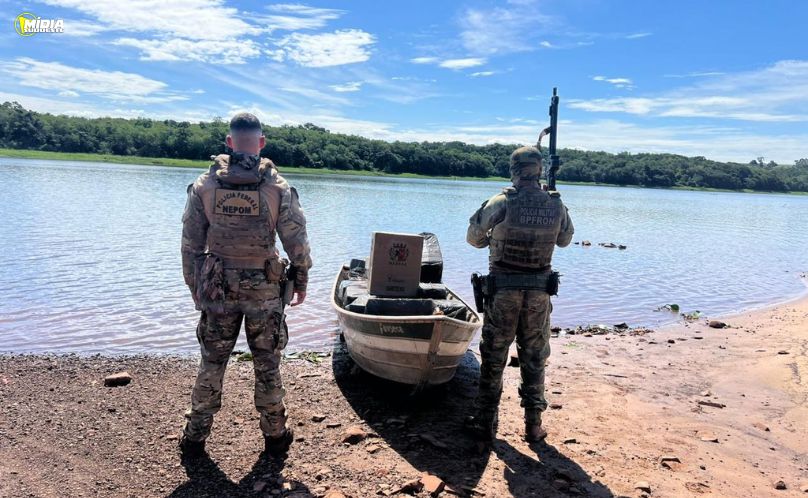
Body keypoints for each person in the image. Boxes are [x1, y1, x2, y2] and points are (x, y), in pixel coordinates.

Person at [178, 112, 312, 458]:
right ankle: (275, 436)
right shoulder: (276, 187)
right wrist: (301, 279)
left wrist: (195, 288)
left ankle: (195, 437)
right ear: (262, 143)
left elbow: (190, 245)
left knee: (212, 362)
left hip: (217, 289)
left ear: (229, 142)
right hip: (264, 291)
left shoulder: (204, 186)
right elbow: (296, 241)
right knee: (267, 362)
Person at [465, 145, 574, 444]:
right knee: (535, 357)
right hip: (539, 294)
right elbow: (564, 240)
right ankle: (533, 426)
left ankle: (485, 424)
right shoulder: (556, 204)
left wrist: (494, 238)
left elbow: (473, 238)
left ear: (514, 170)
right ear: (539, 169)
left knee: (494, 357)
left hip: (503, 293)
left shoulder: (501, 201)